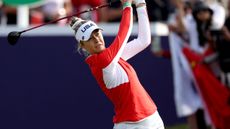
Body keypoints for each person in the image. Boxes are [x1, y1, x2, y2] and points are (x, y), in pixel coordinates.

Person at [69, 0, 165, 128]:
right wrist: (127, 5)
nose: (96, 39)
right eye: (90, 38)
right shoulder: (103, 61)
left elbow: (144, 40)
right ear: (83, 45)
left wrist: (141, 5)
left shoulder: (112, 58)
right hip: (132, 125)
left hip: (152, 118)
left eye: (97, 33)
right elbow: (124, 32)